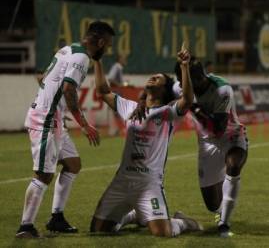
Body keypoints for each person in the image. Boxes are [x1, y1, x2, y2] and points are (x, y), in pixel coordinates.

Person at [90, 45, 202, 237]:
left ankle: (182, 222)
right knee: (98, 230)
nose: (153, 77)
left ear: (165, 89)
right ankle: (133, 216)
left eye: (158, 77)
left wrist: (184, 67)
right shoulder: (130, 108)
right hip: (122, 181)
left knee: (162, 233)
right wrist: (97, 60)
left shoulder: (168, 113)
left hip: (149, 184)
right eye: (153, 75)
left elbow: (188, 100)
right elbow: (102, 90)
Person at [16, 21, 115, 238]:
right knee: (43, 175)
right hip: (46, 121)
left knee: (73, 164)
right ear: (99, 42)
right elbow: (69, 90)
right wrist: (85, 124)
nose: (106, 50)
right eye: (106, 45)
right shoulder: (81, 57)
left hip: (55, 119)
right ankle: (25, 226)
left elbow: (44, 78)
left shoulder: (68, 49)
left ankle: (57, 218)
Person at [173, 60, 248, 238]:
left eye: (187, 84)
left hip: (231, 137)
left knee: (234, 165)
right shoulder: (181, 86)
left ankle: (224, 223)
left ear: (200, 78)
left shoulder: (222, 90)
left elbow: (219, 128)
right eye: (181, 83)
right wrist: (144, 101)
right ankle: (219, 209)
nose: (183, 88)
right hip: (207, 145)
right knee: (212, 205)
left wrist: (194, 106)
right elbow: (164, 87)